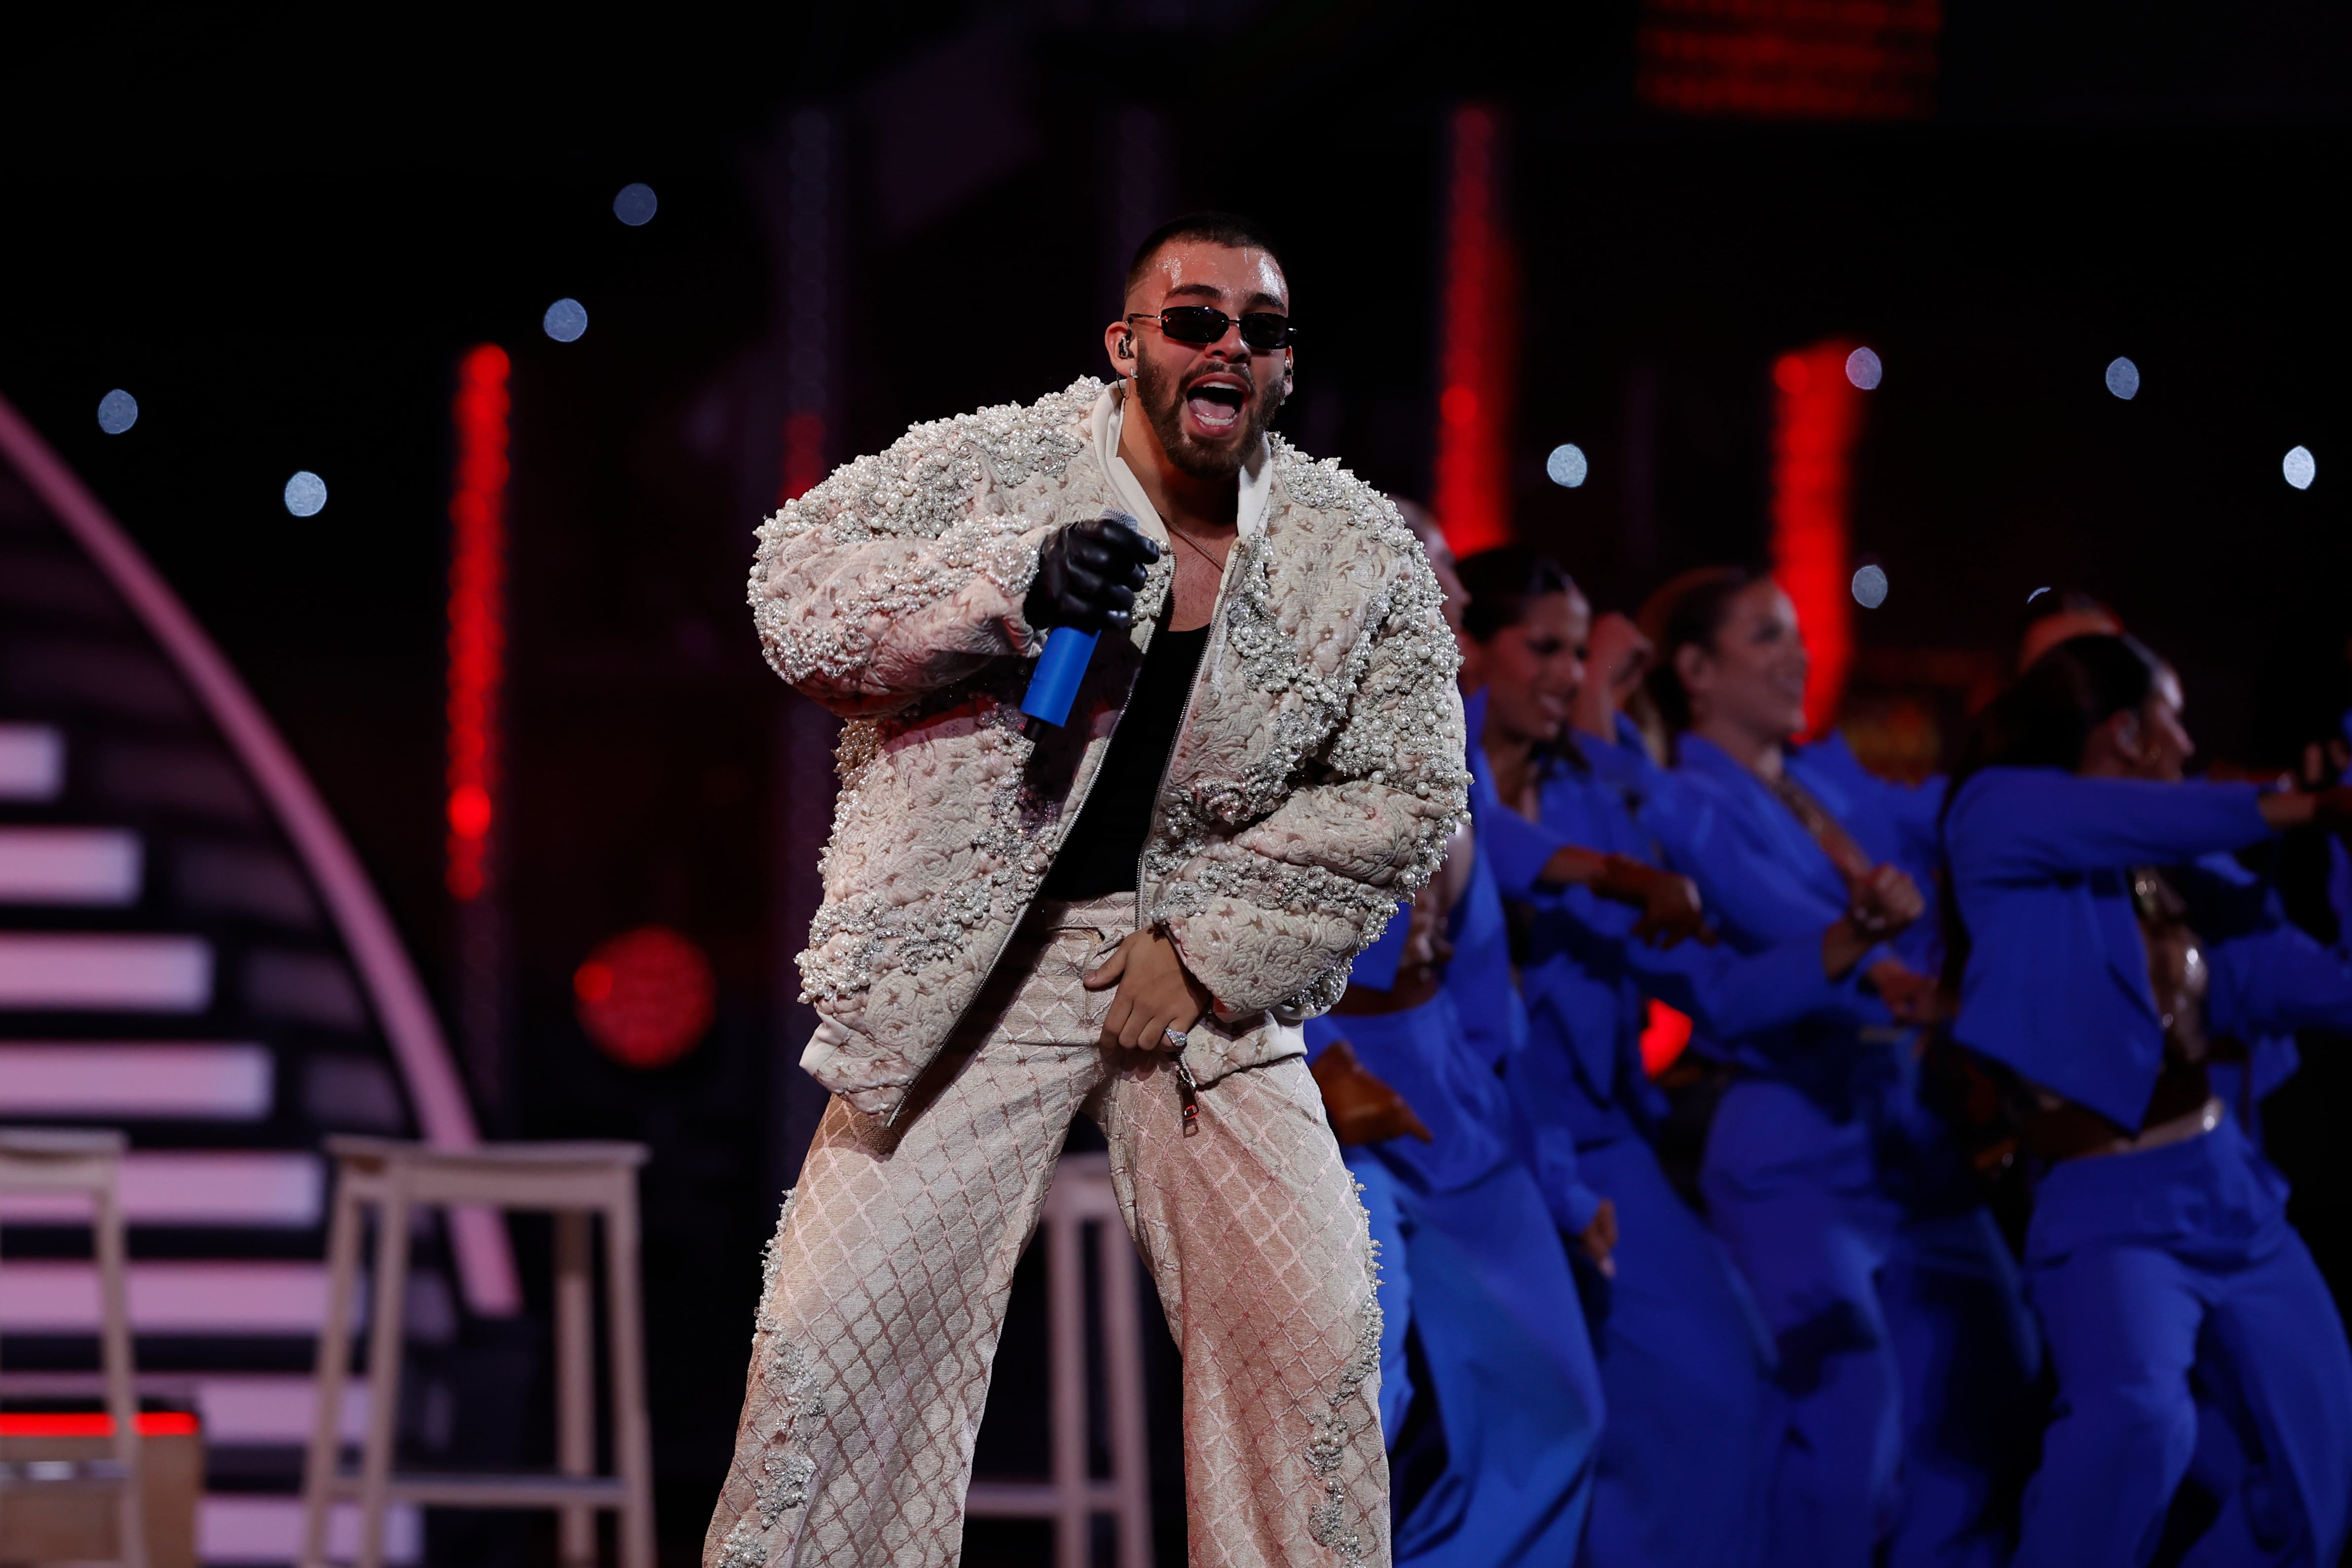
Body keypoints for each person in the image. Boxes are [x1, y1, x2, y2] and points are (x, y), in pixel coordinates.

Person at [705, 212, 1467, 1568]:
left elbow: (1407, 787)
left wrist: (1219, 947)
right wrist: (1002, 586)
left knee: (1315, 1331)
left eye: (1263, 328)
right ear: (1127, 345)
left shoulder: (1357, 555)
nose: (1230, 341)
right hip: (971, 965)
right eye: (1194, 319)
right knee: (830, 1335)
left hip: (1190, 974)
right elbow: (792, 589)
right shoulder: (994, 465)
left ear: (1284, 369)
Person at [1455, 548, 1915, 1568]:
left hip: (1601, 1144)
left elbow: (1711, 988)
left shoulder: (1596, 796)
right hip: (1467, 1150)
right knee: (1512, 1444)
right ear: (1470, 647)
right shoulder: (1435, 778)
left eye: (1582, 655)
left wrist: (1847, 947)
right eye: (1544, 648)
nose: (1568, 675)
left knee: (1730, 1391)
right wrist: (1619, 874)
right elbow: (1490, 846)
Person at [1635, 566, 2040, 1568]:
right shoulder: (1684, 802)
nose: (1799, 654)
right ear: (1694, 669)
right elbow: (1747, 975)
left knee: (1986, 1395)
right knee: (1850, 1432)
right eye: (1766, 637)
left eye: (1798, 634)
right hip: (1791, 1143)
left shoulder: (1821, 780)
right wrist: (1870, 955)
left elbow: (1949, 821)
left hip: (1904, 1136)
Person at [1941, 632, 2352, 1568]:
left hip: (2225, 1188)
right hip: (2107, 1210)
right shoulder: (1999, 816)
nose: (2186, 740)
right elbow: (2171, 818)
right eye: (2172, 717)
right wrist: (2301, 802)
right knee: (2134, 1427)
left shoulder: (2180, 875)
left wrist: (2342, 837)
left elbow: (2326, 985)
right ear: (2126, 731)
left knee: (2319, 1474)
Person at [1300, 506, 1600, 1567]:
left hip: (1452, 1096)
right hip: (1329, 1094)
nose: (1459, 638)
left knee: (1555, 1402)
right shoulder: (1273, 734)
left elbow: (1485, 992)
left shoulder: (1445, 735)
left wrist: (1561, 1186)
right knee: (1357, 1401)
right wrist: (1294, 1082)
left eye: (1466, 618)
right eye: (1441, 602)